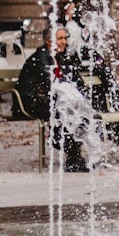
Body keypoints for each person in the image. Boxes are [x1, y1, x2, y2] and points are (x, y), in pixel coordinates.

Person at [17, 25, 88, 172]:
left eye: (65, 38)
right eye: (60, 38)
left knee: (81, 110)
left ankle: (74, 153)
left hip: (51, 99)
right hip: (32, 101)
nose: (64, 42)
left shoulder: (63, 56)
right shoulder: (40, 58)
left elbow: (77, 81)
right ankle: (69, 151)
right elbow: (50, 85)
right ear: (49, 41)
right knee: (63, 109)